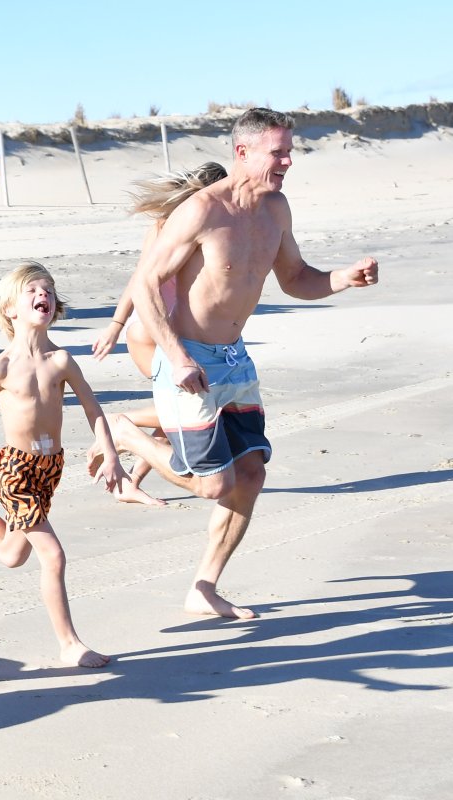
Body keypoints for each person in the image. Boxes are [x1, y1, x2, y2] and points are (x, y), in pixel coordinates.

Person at [88, 107, 379, 620]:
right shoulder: (202, 211)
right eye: (278, 151)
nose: (288, 160)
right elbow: (147, 284)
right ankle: (128, 434)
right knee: (214, 484)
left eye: (290, 150)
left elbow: (296, 279)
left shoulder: (275, 209)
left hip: (235, 361)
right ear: (242, 152)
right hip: (188, 360)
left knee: (251, 473)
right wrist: (174, 356)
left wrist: (342, 278)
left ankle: (203, 586)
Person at [0, 261, 129, 666]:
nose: (45, 296)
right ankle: (69, 644)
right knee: (52, 555)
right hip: (14, 469)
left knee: (12, 555)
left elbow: (93, 408)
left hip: (49, 468)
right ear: (10, 309)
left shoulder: (61, 361)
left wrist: (109, 452)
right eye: (34, 291)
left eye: (50, 291)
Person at [92, 162, 228, 506]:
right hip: (154, 332)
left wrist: (115, 327)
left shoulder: (179, 224)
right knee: (191, 407)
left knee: (180, 406)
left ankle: (131, 482)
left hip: (156, 330)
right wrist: (115, 326)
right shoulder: (179, 227)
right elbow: (140, 281)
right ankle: (119, 426)